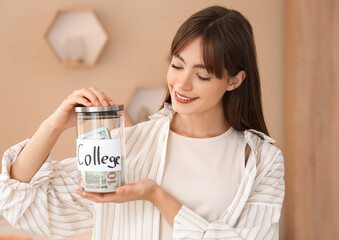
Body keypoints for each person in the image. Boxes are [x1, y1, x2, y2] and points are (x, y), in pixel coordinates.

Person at [0, 5, 285, 240]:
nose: (182, 84)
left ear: (234, 80)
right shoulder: (131, 145)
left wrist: (157, 196)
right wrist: (54, 126)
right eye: (176, 65)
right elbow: (21, 203)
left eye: (203, 75)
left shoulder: (261, 160)